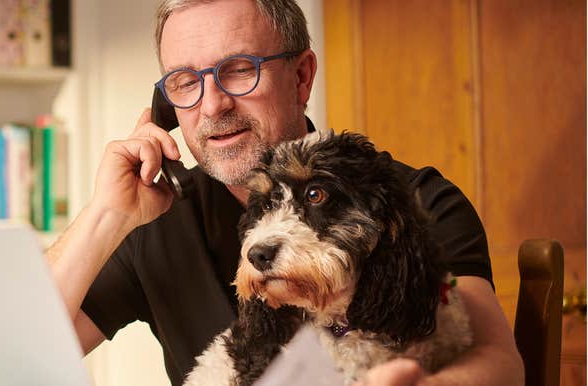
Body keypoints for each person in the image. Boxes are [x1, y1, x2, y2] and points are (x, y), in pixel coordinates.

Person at [45, 0, 524, 385]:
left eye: (238, 69)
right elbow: (14, 351)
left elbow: (497, 362)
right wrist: (107, 214)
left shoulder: (412, 200)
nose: (212, 105)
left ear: (301, 77)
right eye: (186, 82)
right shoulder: (155, 215)